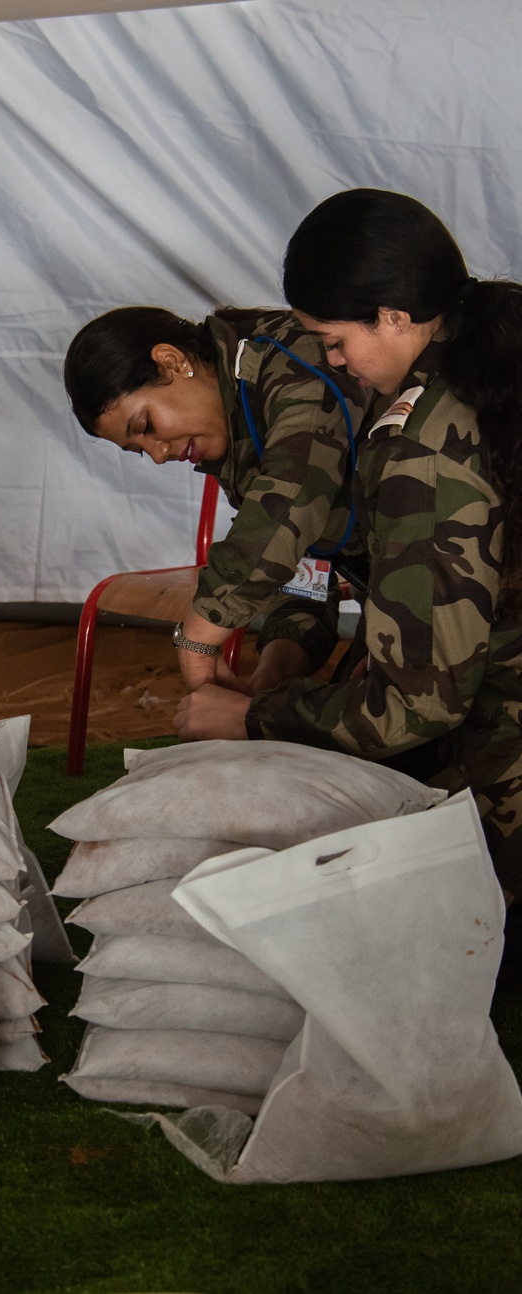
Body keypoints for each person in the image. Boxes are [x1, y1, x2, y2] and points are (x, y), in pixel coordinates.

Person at [175, 188, 522, 903]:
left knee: (416, 895)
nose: (334, 361)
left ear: (393, 316)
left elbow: (418, 705)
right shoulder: (487, 353)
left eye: (335, 340)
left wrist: (254, 716)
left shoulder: (420, 454)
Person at [64, 305, 366, 695]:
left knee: (377, 734)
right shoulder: (230, 424)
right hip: (400, 595)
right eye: (138, 449)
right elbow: (307, 565)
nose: (158, 455)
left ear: (172, 362)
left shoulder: (290, 355)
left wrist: (198, 637)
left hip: (448, 585)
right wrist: (272, 676)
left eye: (145, 426)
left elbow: (294, 493)